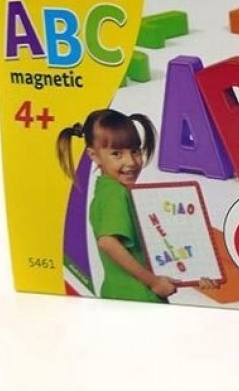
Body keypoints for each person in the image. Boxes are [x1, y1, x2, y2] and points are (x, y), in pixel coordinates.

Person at [56, 108, 215, 302]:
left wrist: (194, 274)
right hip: (136, 298)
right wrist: (153, 282)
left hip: (127, 295)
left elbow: (154, 248)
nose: (131, 161)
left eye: (135, 151)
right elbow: (108, 242)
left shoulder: (112, 191)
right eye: (116, 154)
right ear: (94, 155)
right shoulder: (115, 194)